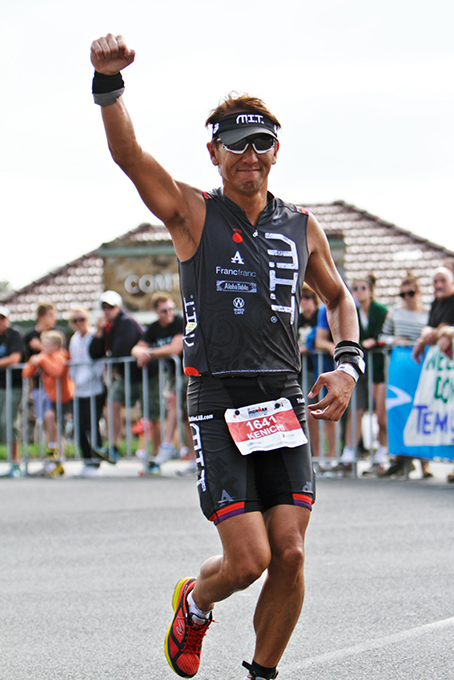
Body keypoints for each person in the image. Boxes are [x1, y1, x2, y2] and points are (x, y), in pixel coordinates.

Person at [90, 33, 363, 680]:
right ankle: (196, 602)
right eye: (236, 145)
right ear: (213, 154)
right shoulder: (193, 212)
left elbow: (339, 298)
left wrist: (347, 365)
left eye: (261, 143)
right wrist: (108, 84)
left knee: (290, 554)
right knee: (248, 562)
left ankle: (261, 674)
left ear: (276, 151)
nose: (250, 155)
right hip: (217, 397)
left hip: (283, 399)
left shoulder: (301, 225)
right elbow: (129, 156)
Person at [131, 292, 193, 475]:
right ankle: (189, 456)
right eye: (164, 311)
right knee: (184, 416)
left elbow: (175, 348)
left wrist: (149, 353)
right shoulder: (154, 328)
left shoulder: (179, 321)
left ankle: (167, 446)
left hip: (190, 371)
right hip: (175, 374)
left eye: (171, 309)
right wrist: (140, 353)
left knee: (179, 407)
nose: (169, 313)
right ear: (156, 312)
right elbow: (136, 348)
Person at [378, 274, 431, 478]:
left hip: (422, 364)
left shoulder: (428, 312)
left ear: (418, 292)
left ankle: (425, 463)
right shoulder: (395, 312)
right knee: (400, 409)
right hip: (400, 364)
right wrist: (395, 340)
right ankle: (401, 458)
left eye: (410, 293)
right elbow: (382, 337)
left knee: (423, 409)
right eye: (403, 294)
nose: (407, 297)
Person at [336, 274, 388, 476]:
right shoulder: (353, 312)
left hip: (379, 369)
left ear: (371, 291)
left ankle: (382, 454)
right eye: (355, 289)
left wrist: (375, 341)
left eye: (363, 288)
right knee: (355, 411)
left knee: (381, 415)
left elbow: (386, 335)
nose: (358, 292)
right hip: (360, 368)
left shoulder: (380, 311)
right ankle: (348, 454)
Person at [412, 267, 454, 483]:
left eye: (443, 280)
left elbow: (444, 329)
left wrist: (442, 333)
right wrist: (426, 338)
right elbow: (431, 329)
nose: (438, 285)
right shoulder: (437, 303)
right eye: (435, 281)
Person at [88, 291, 143, 458]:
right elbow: (94, 353)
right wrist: (99, 331)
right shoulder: (107, 326)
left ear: (119, 307)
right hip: (125, 375)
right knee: (112, 404)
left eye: (110, 307)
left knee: (152, 413)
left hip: (145, 374)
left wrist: (110, 360)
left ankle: (155, 453)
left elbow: (121, 350)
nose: (107, 310)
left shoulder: (127, 322)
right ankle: (113, 447)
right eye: (104, 307)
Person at [22, 331, 74, 477]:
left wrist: (42, 359)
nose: (42, 348)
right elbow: (26, 372)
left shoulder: (60, 356)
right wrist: (34, 361)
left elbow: (56, 371)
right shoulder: (44, 357)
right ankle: (52, 458)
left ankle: (59, 462)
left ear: (56, 346)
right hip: (52, 397)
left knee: (58, 429)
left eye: (45, 345)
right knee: (49, 420)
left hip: (64, 397)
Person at [68, 307, 107, 477]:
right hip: (79, 390)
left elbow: (98, 360)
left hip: (94, 388)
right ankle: (86, 460)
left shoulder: (93, 336)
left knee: (93, 425)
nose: (79, 323)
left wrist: (90, 378)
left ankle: (96, 461)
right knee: (80, 427)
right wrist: (74, 379)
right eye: (75, 320)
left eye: (82, 319)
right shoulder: (74, 339)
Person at [23, 302, 59, 454]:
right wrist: (30, 386)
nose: (53, 318)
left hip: (55, 386)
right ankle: (49, 455)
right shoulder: (29, 335)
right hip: (39, 386)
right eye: (50, 315)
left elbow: (59, 357)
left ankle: (57, 454)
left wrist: (40, 348)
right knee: (43, 420)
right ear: (41, 317)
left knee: (53, 419)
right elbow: (28, 363)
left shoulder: (57, 333)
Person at [0, 306, 24, 478]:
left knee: (8, 422)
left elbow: (15, 358)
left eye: (2, 318)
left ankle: (15, 463)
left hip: (12, 386)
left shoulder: (14, 334)